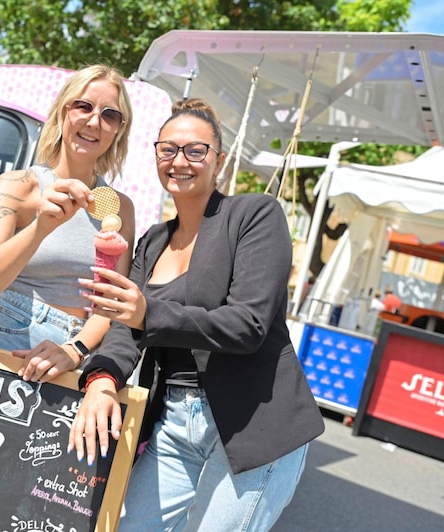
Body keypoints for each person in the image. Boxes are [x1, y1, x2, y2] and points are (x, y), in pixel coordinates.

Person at [69, 98, 325, 530]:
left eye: (195, 150)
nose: (179, 161)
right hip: (173, 421)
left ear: (218, 161)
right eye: (168, 149)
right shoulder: (152, 241)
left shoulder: (254, 216)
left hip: (254, 421)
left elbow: (249, 325)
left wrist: (149, 312)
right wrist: (101, 379)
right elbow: (124, 326)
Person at [0, 64, 135, 383]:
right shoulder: (18, 185)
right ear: (62, 112)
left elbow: (108, 304)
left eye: (109, 115)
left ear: (118, 130)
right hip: (3, 336)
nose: (94, 121)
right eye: (83, 106)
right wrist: (41, 227)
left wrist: (75, 349)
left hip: (71, 355)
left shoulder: (120, 207)